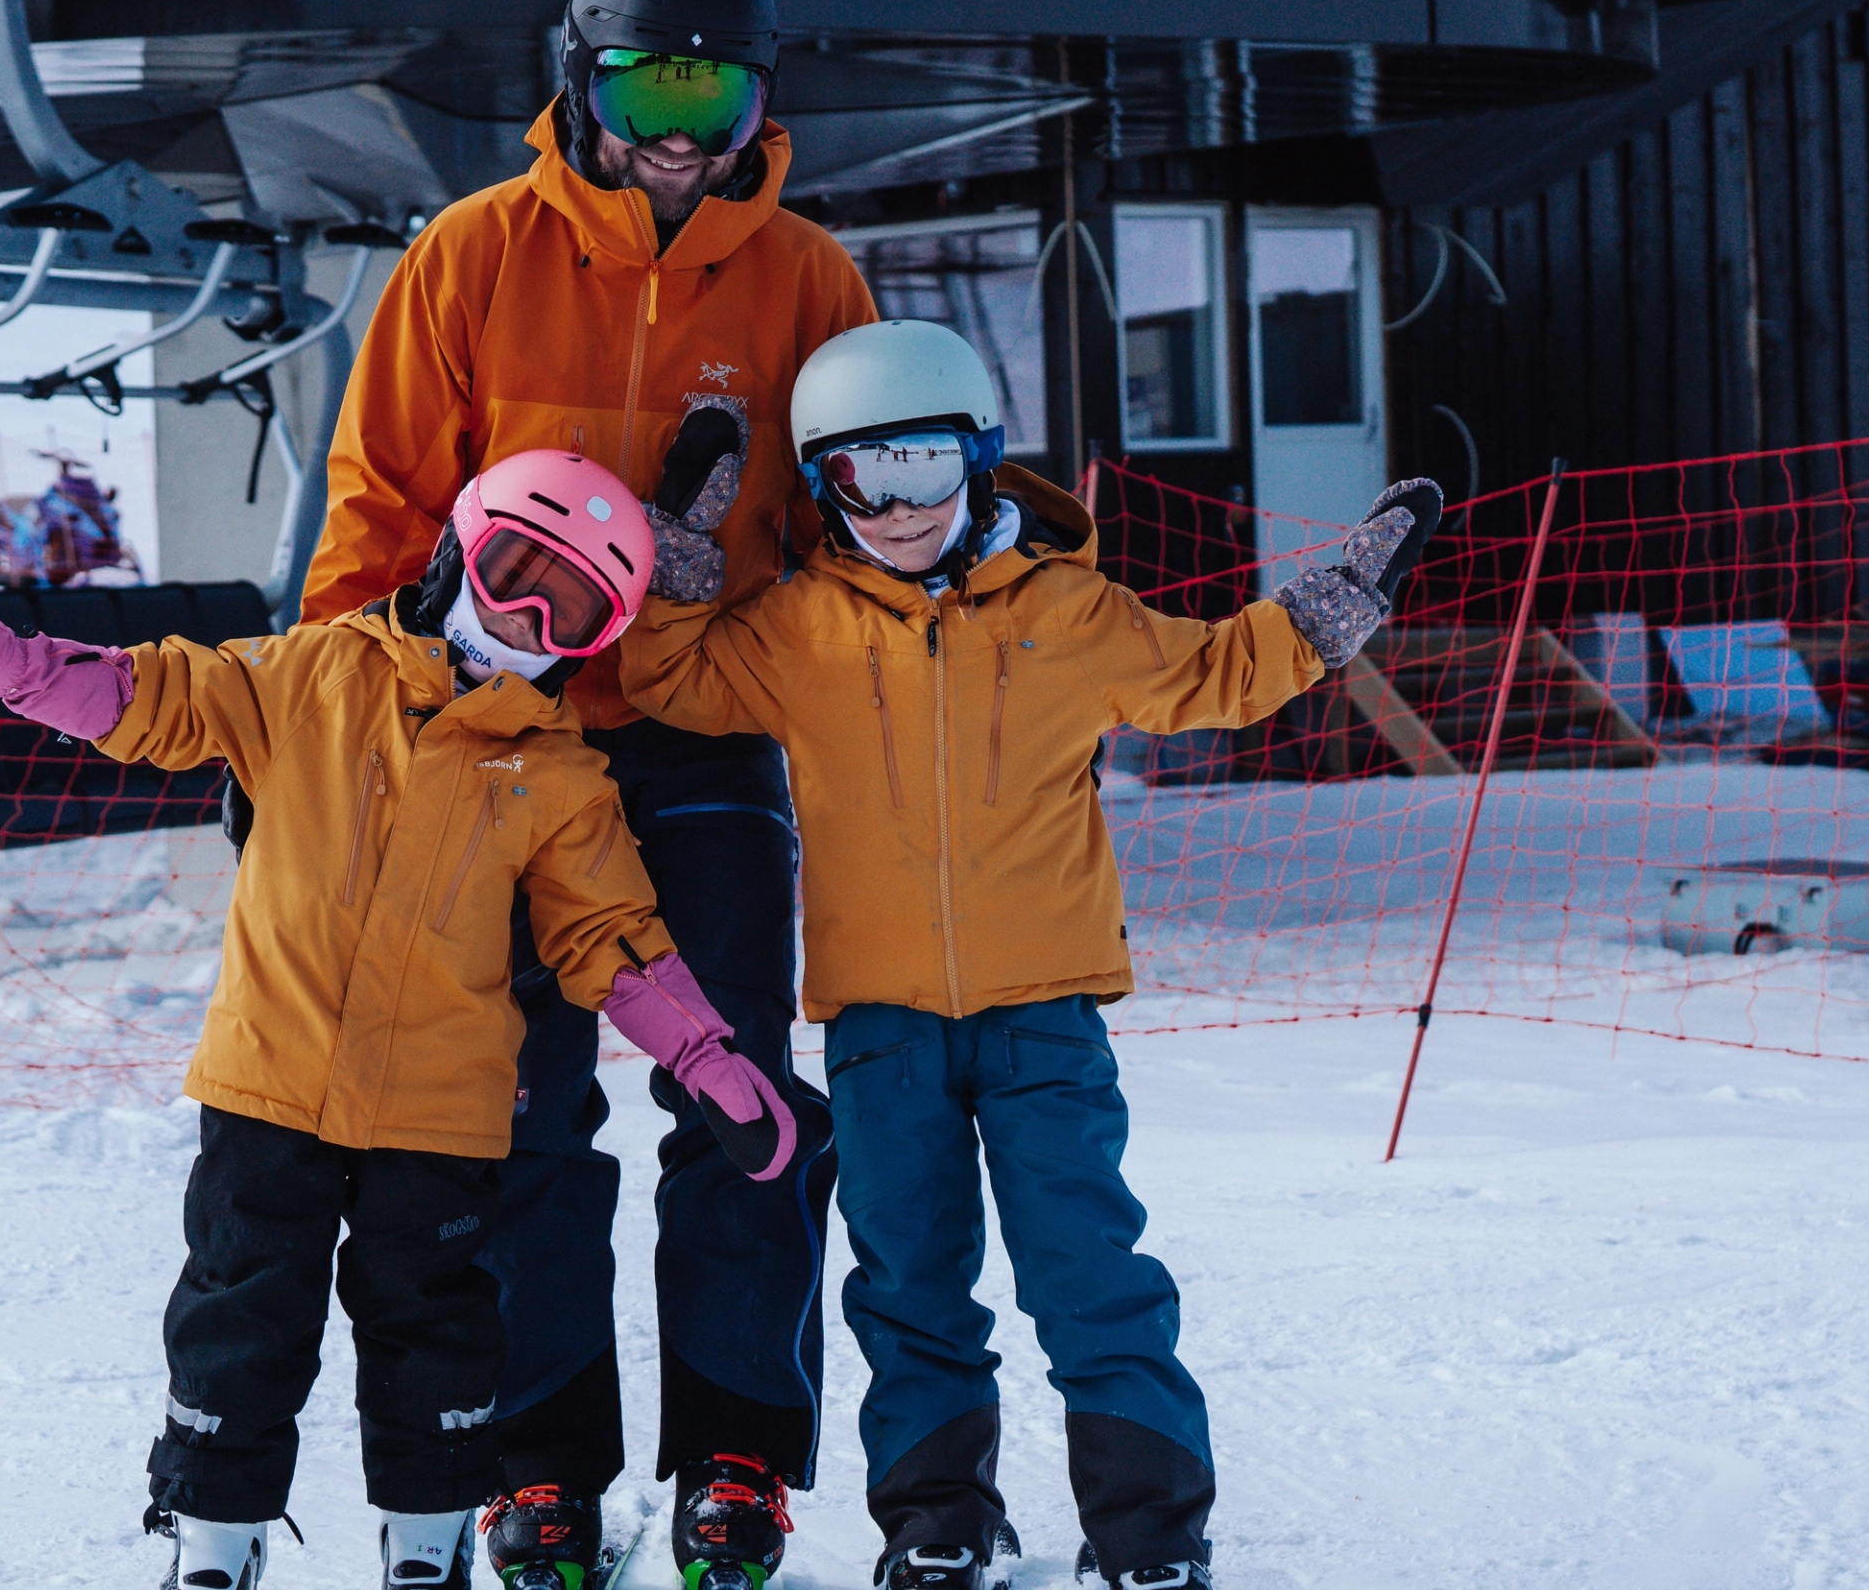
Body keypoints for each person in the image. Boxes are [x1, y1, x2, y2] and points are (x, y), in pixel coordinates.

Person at [0, 450, 811, 1590]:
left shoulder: (560, 777)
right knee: (239, 1316)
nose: (523, 615)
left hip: (438, 1116)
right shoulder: (313, 675)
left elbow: (610, 937)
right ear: (461, 550)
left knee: (437, 1335)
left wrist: (707, 1058)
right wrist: (23, 671)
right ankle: (215, 1546)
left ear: (592, 637)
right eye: (517, 570)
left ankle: (425, 1551)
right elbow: (164, 696)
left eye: (565, 607)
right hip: (272, 1082)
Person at [616, 320, 1440, 1590]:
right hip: (882, 1025)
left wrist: (1335, 606)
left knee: (1089, 1272)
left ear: (982, 462)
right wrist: (682, 548)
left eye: (923, 469)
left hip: (1047, 1018)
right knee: (909, 1285)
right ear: (824, 489)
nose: (895, 510)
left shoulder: (1071, 612)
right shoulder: (797, 629)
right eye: (858, 479)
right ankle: (938, 1521)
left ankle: (1150, 1533)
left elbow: (1216, 674)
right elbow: (671, 680)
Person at [302, 0, 876, 1588]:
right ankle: (538, 1466)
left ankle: (740, 1463)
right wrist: (361, 713)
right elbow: (379, 498)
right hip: (506, 745)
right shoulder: (472, 254)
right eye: (650, 83)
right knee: (523, 1115)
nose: (681, 125)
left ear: (761, 94)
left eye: (717, 86)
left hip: (706, 742)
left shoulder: (810, 282)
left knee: (742, 1101)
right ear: (585, 78)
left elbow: (853, 534)